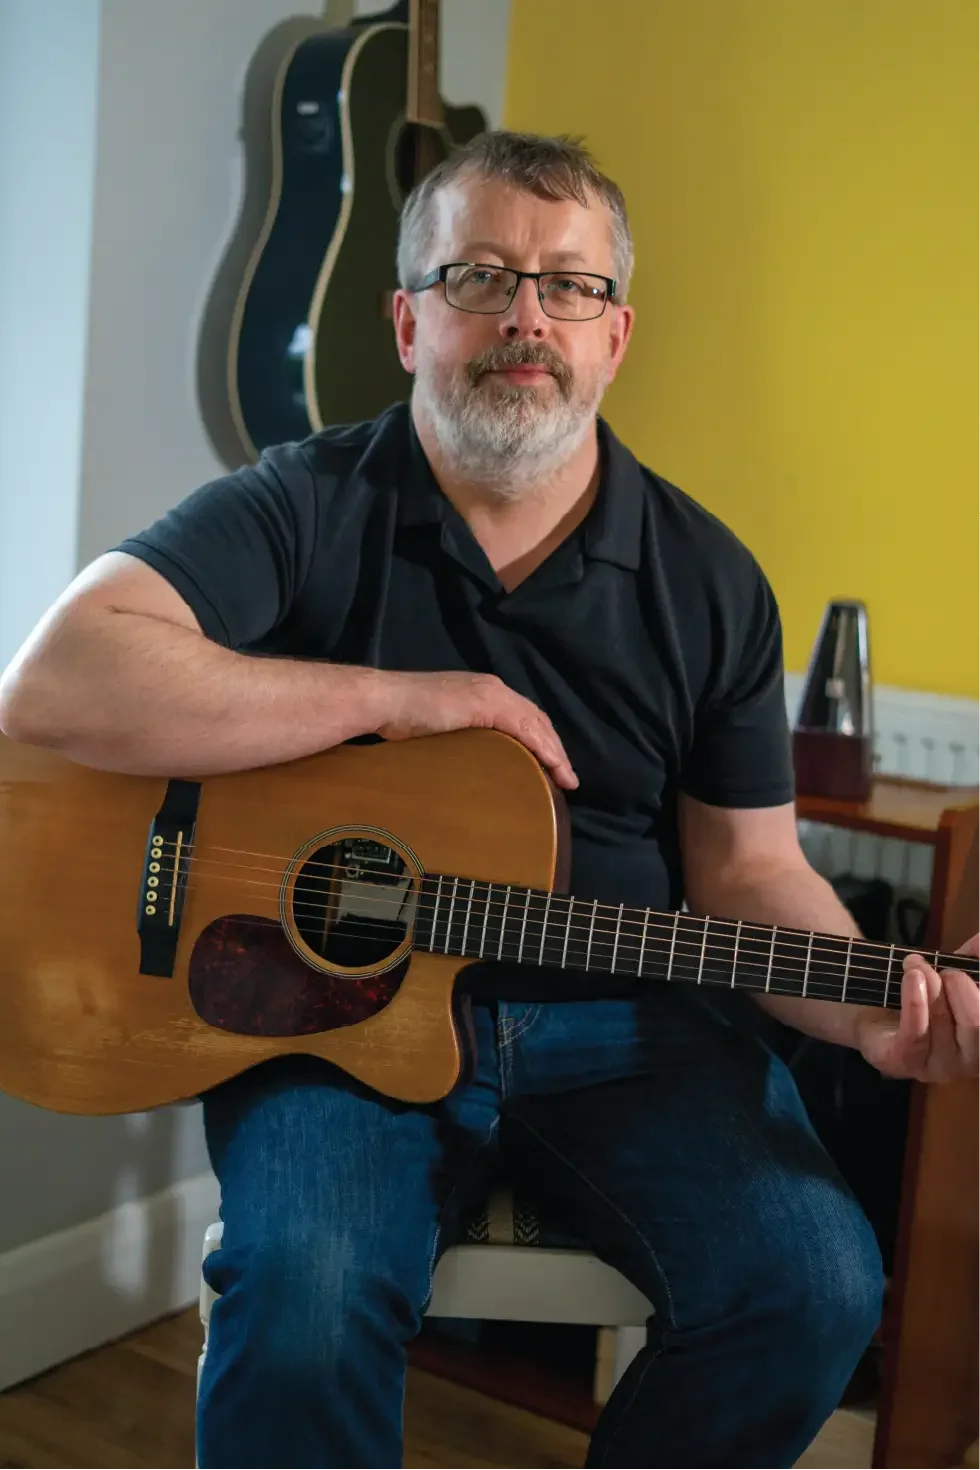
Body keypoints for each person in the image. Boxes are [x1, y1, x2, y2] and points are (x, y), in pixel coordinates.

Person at [2, 130, 979, 1470]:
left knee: (814, 1285)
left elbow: (749, 871)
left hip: (634, 1027)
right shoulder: (304, 501)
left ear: (615, 335)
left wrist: (871, 1001)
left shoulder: (710, 578)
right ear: (409, 320)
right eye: (479, 275)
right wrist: (399, 698)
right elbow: (51, 684)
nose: (527, 315)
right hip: (328, 1020)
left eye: (568, 285)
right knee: (302, 1293)